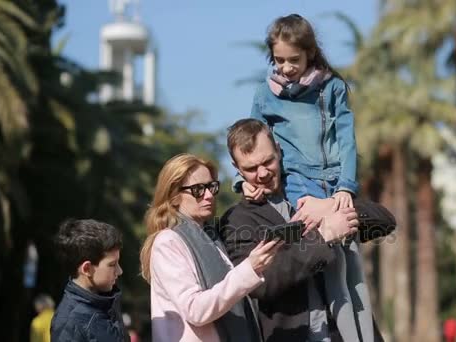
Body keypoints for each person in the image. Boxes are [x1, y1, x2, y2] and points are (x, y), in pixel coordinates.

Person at [222, 119, 393, 342]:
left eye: (268, 161)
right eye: (251, 168)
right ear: (237, 169)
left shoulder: (314, 189)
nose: (262, 173)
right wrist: (322, 237)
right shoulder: (236, 220)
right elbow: (263, 282)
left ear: (279, 151)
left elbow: (385, 221)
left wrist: (330, 205)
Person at [139, 153, 283, 342]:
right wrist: (249, 269)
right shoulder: (168, 242)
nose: (208, 195)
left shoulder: (211, 235)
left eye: (211, 187)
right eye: (198, 190)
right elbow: (195, 310)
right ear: (174, 196)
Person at [239, 13, 357, 211]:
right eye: (279, 60)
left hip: (336, 180)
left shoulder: (332, 88)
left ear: (309, 53)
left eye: (294, 59)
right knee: (315, 228)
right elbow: (249, 142)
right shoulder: (264, 94)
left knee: (347, 234)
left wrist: (346, 186)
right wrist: (241, 181)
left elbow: (347, 140)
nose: (286, 68)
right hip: (294, 178)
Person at [50, 219, 126, 342]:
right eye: (112, 265)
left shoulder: (106, 302)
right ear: (87, 269)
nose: (120, 271)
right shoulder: (70, 324)